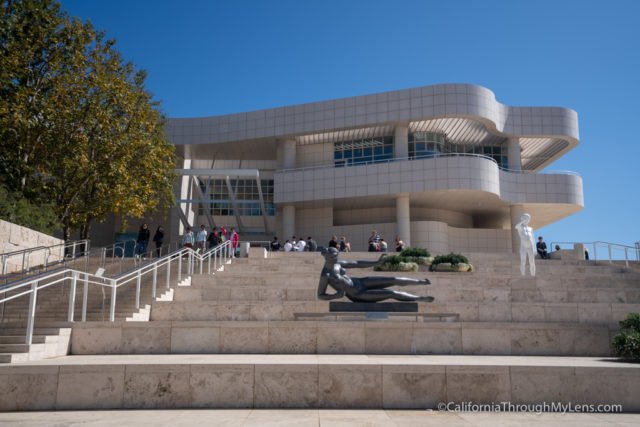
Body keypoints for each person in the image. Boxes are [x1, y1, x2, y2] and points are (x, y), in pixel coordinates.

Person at [317, 247, 434, 303]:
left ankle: (420, 282)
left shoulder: (338, 263)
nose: (335, 258)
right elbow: (320, 295)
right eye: (332, 257)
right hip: (358, 294)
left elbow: (357, 263)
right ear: (326, 257)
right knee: (392, 293)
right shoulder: (326, 275)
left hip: (360, 282)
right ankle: (419, 298)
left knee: (393, 279)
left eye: (336, 255)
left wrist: (376, 262)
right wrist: (335, 296)